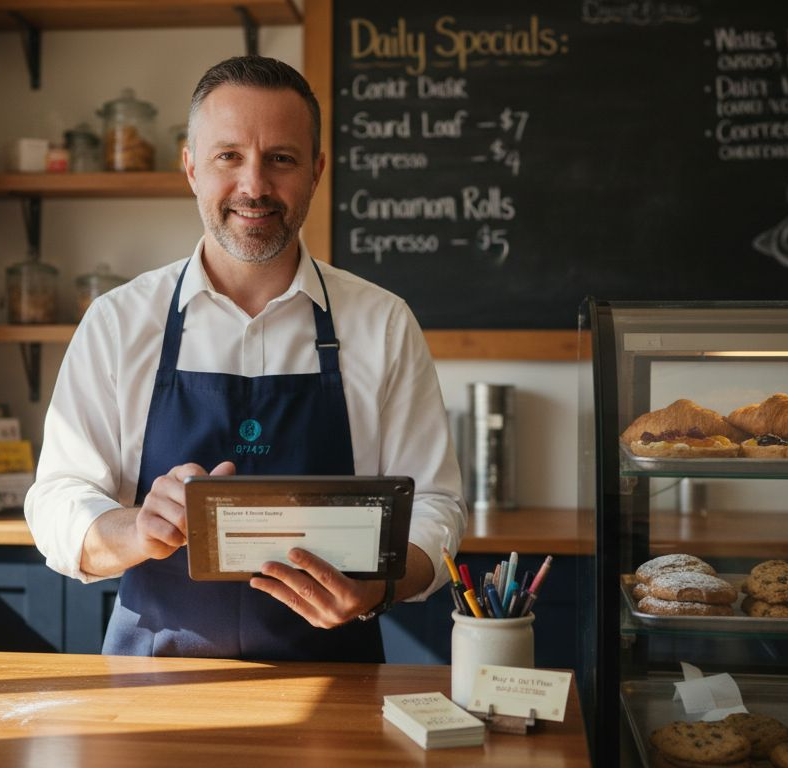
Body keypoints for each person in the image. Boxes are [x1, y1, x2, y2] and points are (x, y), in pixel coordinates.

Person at [25, 56, 465, 663]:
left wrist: (379, 587)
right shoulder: (118, 322)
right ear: (191, 167)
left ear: (316, 171)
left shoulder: (383, 324)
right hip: (152, 678)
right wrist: (137, 528)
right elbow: (57, 499)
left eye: (280, 158)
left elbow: (436, 507)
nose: (254, 186)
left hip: (335, 681)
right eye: (228, 156)